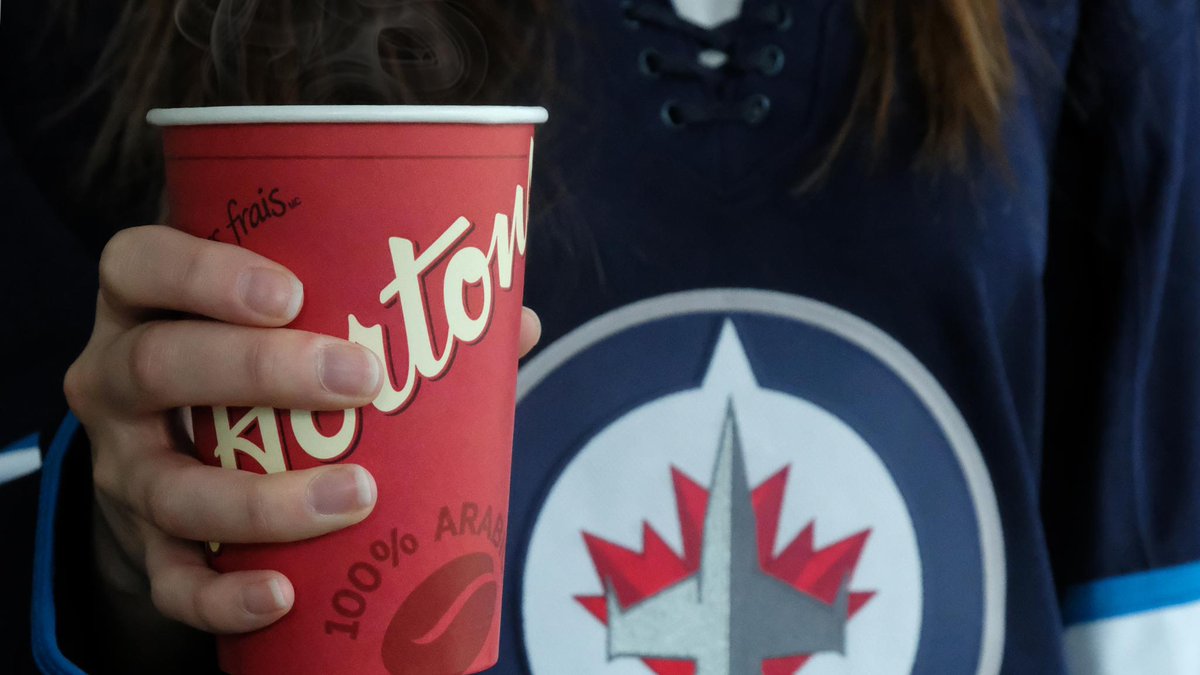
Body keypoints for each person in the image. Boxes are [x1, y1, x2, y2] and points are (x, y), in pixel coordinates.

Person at [2, 0, 1198, 673]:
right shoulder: (103, 37)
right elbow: (77, 546)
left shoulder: (1110, 30)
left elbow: (1148, 607)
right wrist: (120, 555)